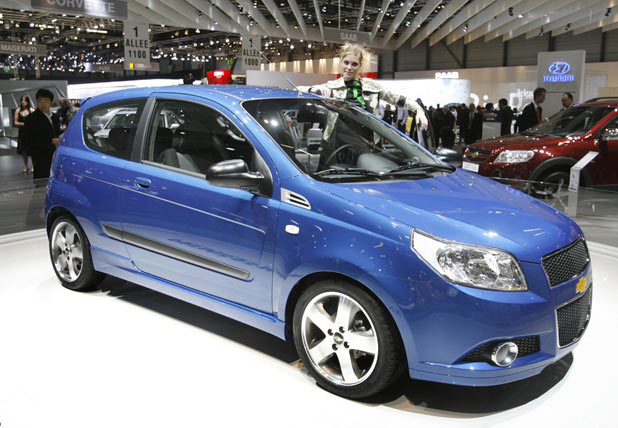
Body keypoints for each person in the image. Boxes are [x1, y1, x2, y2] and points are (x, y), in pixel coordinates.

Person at [301, 42, 428, 130]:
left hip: (369, 144)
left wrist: (419, 110)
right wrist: (312, 89)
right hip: (337, 145)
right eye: (346, 63)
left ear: (360, 65)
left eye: (354, 64)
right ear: (341, 62)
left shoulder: (373, 88)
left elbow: (399, 99)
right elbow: (298, 90)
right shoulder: (331, 87)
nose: (349, 67)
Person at [23, 89, 61, 180]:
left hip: (56, 155)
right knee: (42, 180)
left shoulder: (55, 117)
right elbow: (29, 139)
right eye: (40, 101)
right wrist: (51, 141)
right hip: (40, 157)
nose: (43, 104)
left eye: (46, 101)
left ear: (51, 103)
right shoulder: (31, 119)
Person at [13, 95, 35, 173]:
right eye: (22, 100)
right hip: (22, 132)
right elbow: (15, 122)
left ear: (27, 101)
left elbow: (35, 122)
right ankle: (26, 166)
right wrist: (23, 124)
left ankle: (33, 166)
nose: (23, 102)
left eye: (25, 100)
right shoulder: (18, 111)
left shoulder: (32, 110)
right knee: (23, 150)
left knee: (32, 149)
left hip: (30, 133)